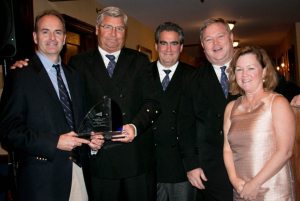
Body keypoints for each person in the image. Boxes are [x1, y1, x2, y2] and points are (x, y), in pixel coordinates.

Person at [180, 17, 299, 201]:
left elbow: (284, 88)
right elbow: (185, 123)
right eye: (209, 39)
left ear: (231, 37)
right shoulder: (192, 80)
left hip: (259, 167)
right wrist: (191, 165)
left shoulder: (252, 67)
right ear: (202, 45)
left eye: (220, 36)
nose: (216, 43)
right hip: (212, 171)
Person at [0, 10, 103, 201]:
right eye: (45, 31)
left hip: (78, 173)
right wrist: (54, 142)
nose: (52, 38)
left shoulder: (75, 76)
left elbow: (79, 123)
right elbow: (8, 132)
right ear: (35, 37)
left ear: (64, 38)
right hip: (41, 182)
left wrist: (91, 140)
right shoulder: (21, 75)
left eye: (57, 32)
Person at [68, 6, 160, 201]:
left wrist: (135, 126)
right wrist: (87, 136)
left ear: (125, 32)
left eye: (119, 28)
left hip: (136, 160)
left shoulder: (140, 61)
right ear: (97, 29)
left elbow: (153, 101)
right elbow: (72, 108)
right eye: (108, 27)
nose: (114, 34)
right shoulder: (78, 63)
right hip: (100, 159)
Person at [223, 45, 295, 200]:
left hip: (272, 191)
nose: (244, 74)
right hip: (241, 189)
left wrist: (254, 184)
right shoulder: (230, 108)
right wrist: (234, 180)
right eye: (239, 69)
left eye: (250, 68)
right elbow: (227, 150)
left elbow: (285, 151)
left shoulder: (277, 103)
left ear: (263, 71)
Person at [148, 22, 196, 201]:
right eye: (163, 43)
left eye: (174, 43)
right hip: (149, 166)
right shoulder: (142, 74)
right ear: (156, 46)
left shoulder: (194, 76)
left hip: (182, 168)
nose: (168, 49)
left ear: (181, 47)